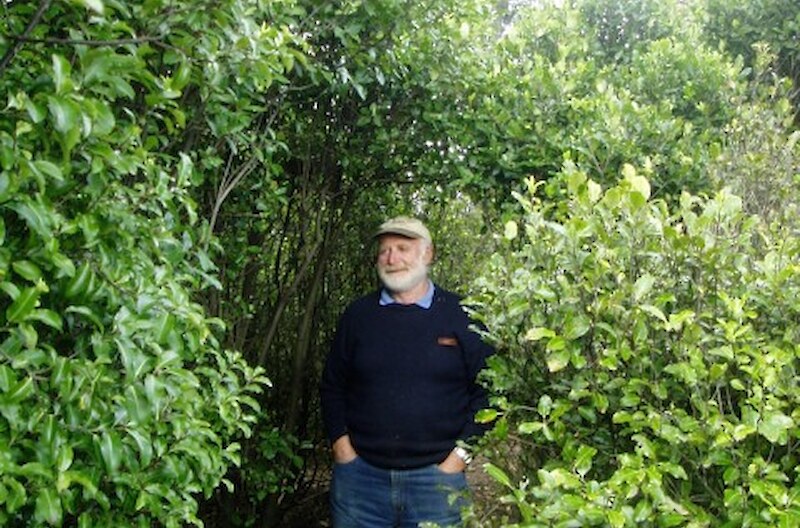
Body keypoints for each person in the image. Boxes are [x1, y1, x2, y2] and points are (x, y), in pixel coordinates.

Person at [320, 216, 494, 528]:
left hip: (437, 484)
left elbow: (489, 394)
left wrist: (459, 459)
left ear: (428, 254)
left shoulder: (463, 315)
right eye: (385, 250)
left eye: (403, 248)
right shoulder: (358, 316)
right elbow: (332, 386)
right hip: (360, 481)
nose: (392, 258)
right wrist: (342, 449)